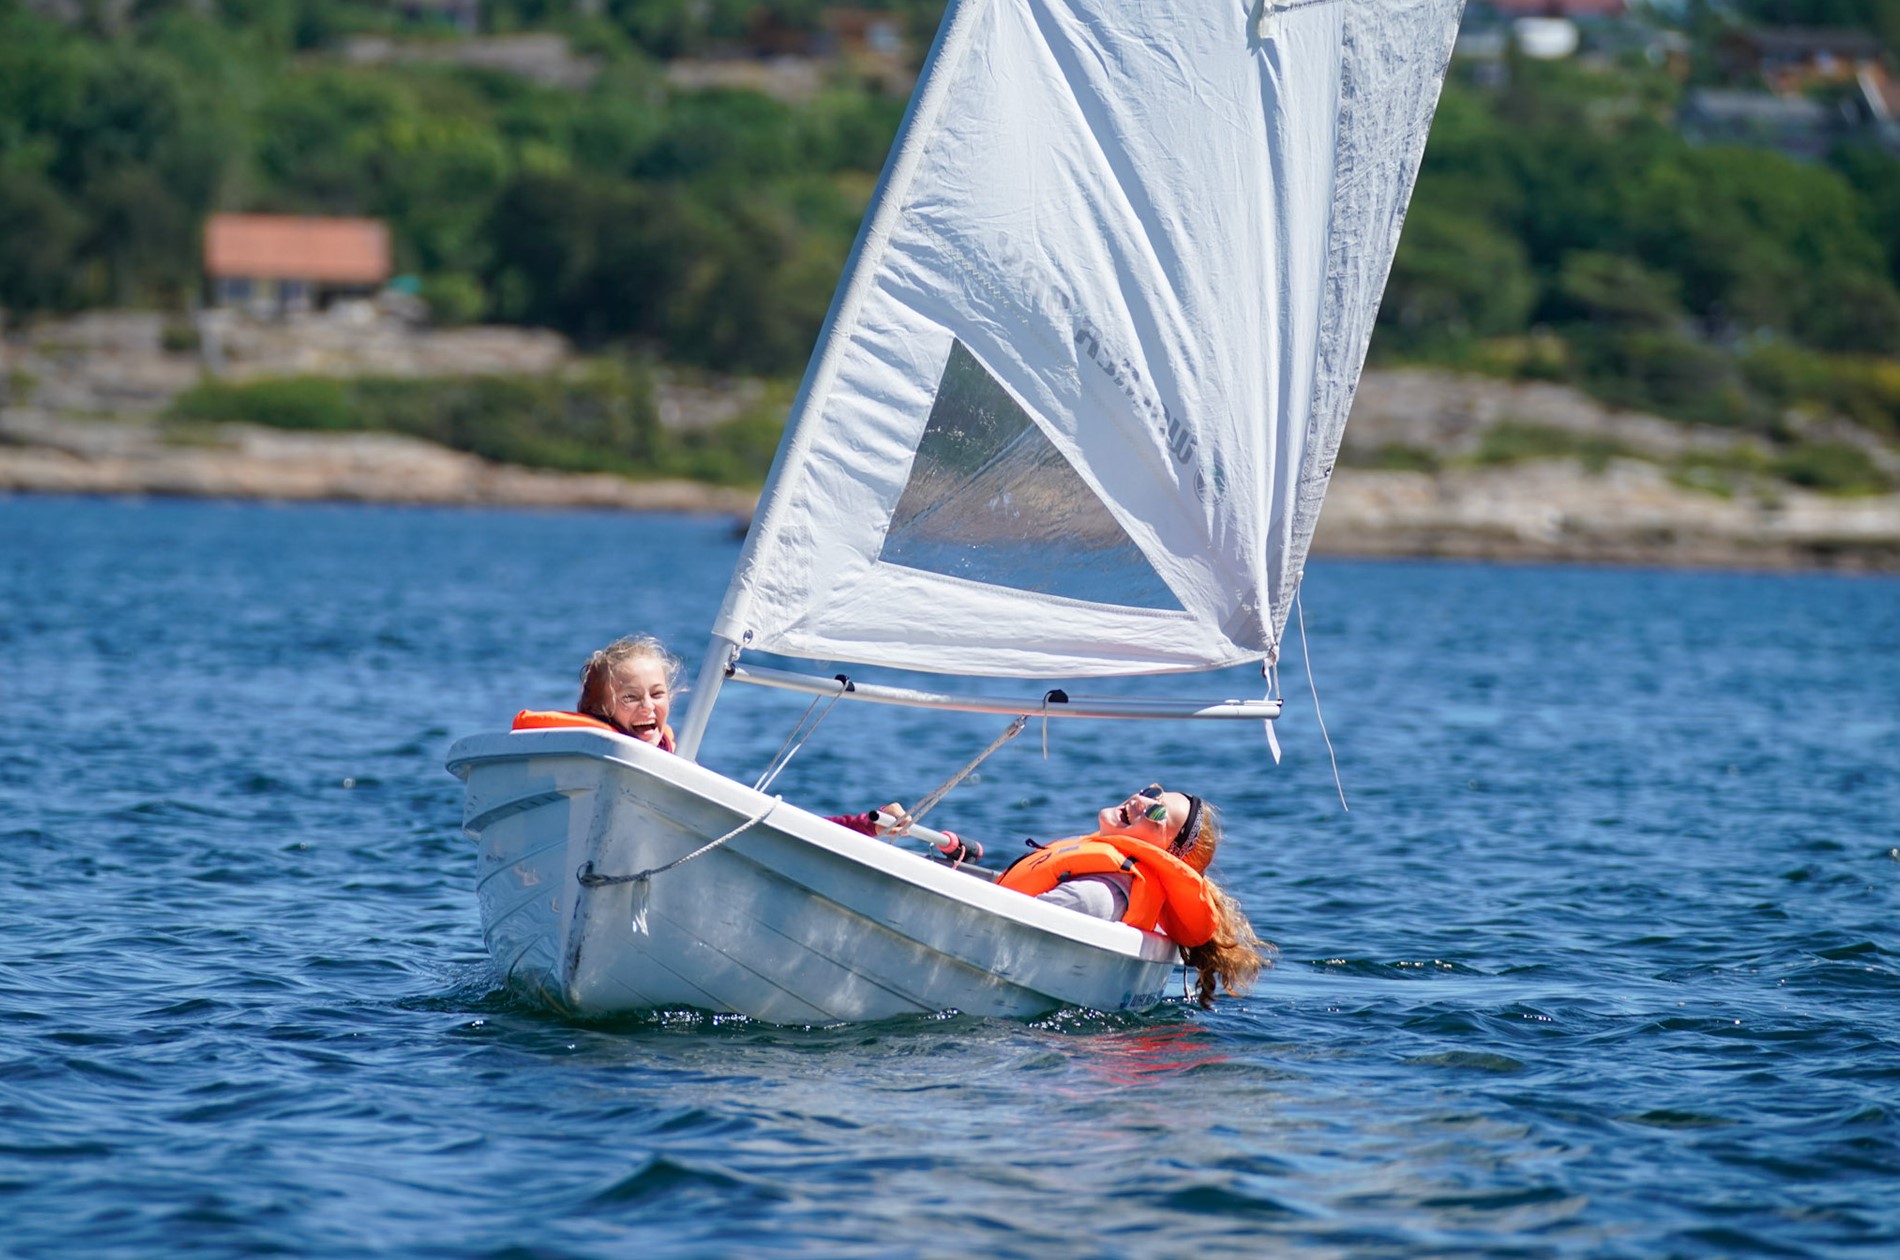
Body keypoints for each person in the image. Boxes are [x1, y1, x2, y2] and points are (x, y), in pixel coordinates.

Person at [989, 785, 1269, 1009]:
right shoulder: (1103, 874)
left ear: (1164, 855)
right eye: (1151, 793)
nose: (1140, 800)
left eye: (1157, 814)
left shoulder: (1100, 895)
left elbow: (1001, 935)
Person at [573, 634, 682, 750]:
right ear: (599, 709)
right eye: (630, 697)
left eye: (656, 694)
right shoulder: (582, 756)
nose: (648, 706)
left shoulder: (680, 759)